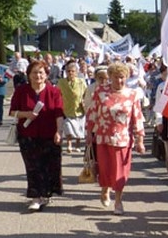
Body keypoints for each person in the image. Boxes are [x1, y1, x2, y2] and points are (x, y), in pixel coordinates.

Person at [85, 61, 146, 215]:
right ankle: (105, 190)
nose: (119, 80)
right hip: (103, 137)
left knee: (121, 172)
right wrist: (88, 133)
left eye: (122, 77)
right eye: (116, 77)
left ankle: (118, 200)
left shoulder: (132, 95)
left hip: (123, 139)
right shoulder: (100, 92)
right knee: (105, 169)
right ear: (109, 77)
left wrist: (140, 140)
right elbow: (92, 113)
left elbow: (137, 117)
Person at [8, 60, 64, 211]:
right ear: (28, 75)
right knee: (33, 166)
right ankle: (35, 197)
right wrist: (27, 114)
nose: (37, 76)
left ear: (46, 75)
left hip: (49, 135)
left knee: (49, 166)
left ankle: (45, 194)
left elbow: (59, 113)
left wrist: (59, 131)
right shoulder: (22, 91)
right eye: (34, 73)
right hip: (28, 135)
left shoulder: (54, 92)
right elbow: (12, 111)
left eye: (41, 72)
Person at [57, 60, 88, 153]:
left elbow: (86, 94)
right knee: (68, 127)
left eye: (72, 71)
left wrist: (84, 102)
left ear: (76, 72)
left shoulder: (81, 82)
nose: (70, 73)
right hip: (67, 109)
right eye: (68, 71)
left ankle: (77, 145)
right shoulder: (61, 82)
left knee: (79, 128)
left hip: (79, 109)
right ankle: (69, 144)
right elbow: (57, 94)